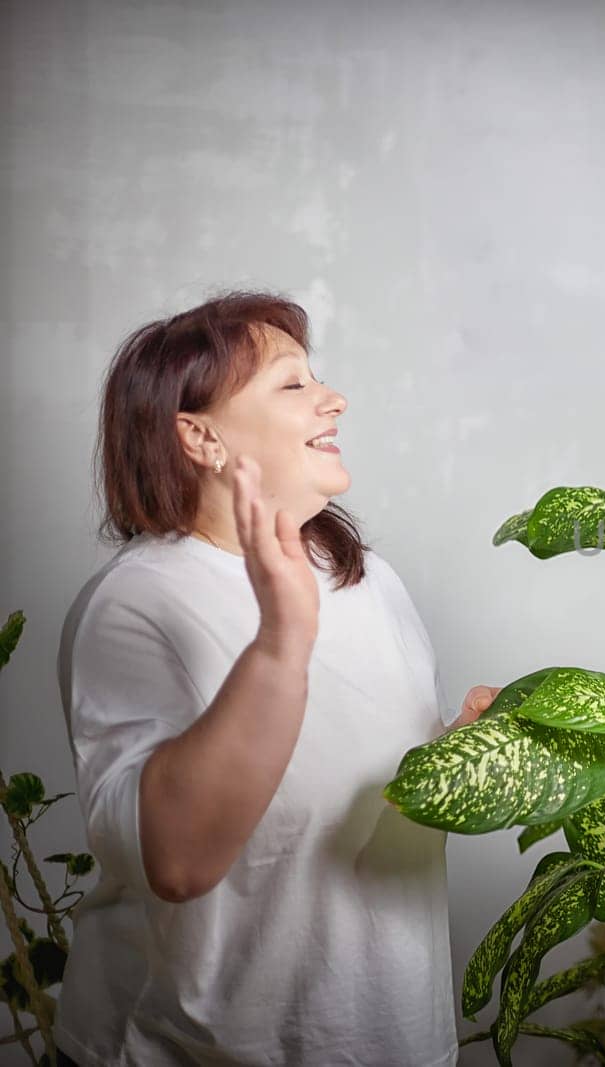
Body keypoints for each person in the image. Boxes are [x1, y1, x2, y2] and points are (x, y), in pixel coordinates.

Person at [55, 293, 503, 1065]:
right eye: (292, 384)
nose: (335, 399)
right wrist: (281, 643)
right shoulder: (137, 602)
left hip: (394, 1041)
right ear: (199, 436)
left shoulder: (369, 580)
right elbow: (178, 860)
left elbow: (372, 806)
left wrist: (461, 753)